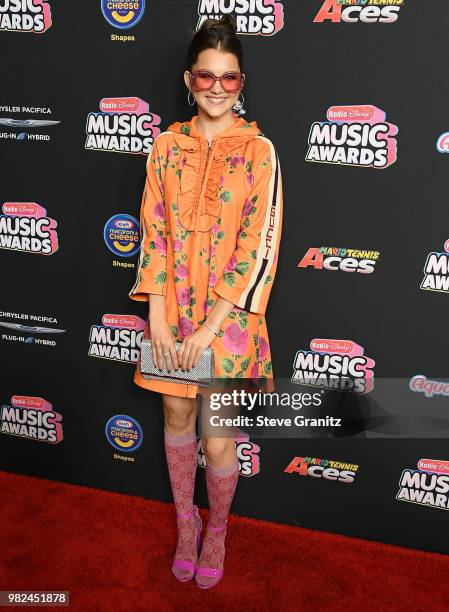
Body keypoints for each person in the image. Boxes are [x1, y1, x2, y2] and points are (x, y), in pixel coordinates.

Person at [128, 14, 283, 589]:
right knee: (176, 415)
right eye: (206, 76)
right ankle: (185, 528)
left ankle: (216, 529)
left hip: (231, 320)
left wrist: (210, 328)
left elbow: (259, 248)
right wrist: (160, 319)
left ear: (242, 83)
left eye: (230, 78)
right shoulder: (166, 147)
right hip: (174, 313)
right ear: (188, 79)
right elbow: (156, 232)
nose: (217, 87)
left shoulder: (261, 152)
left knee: (219, 435)